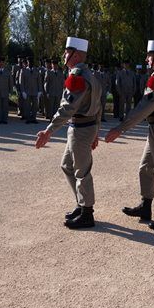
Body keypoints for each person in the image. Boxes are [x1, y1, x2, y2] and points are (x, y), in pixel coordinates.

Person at [105, 40, 154, 232]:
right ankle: (145, 207)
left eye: (149, 55)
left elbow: (143, 108)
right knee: (145, 167)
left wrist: (120, 128)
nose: (147, 59)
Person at [35, 37, 102, 229]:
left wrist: (48, 131)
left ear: (77, 55)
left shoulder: (78, 76)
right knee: (67, 165)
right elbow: (98, 107)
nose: (64, 55)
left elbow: (67, 108)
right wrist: (96, 131)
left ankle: (87, 213)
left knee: (82, 171)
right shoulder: (89, 75)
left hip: (80, 129)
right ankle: (82, 204)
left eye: (67, 51)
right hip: (84, 128)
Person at [19, 57, 42, 124]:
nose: (30, 63)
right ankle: (28, 118)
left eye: (31, 62)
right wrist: (23, 91)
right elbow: (21, 82)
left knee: (35, 106)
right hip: (27, 91)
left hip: (35, 91)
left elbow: (39, 81)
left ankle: (34, 118)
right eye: (29, 62)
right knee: (27, 105)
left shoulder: (36, 70)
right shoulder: (23, 70)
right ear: (27, 63)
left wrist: (40, 91)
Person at [0, 56, 13, 124]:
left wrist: (11, 91)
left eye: (2, 62)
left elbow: (10, 82)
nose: (1, 63)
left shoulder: (8, 71)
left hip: (5, 91)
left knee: (5, 106)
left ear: (4, 63)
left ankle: (5, 119)